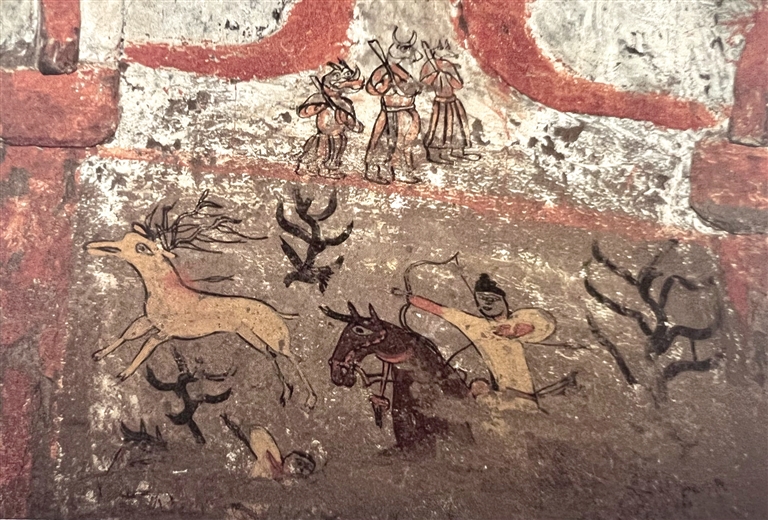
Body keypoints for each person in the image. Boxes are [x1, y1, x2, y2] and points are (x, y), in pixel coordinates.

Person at [408, 273, 556, 411]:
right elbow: (444, 312)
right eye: (520, 327)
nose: (520, 331)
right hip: (505, 400)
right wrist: (411, 298)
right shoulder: (480, 327)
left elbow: (523, 392)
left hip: (520, 402)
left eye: (523, 331)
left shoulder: (515, 344)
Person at [364, 28, 423, 185]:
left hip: (408, 111)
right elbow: (370, 88)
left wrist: (411, 86)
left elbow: (415, 88)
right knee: (384, 142)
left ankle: (401, 171)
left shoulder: (403, 70)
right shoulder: (384, 70)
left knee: (406, 143)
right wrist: (384, 87)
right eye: (406, 49)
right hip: (391, 113)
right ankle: (375, 170)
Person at [420, 39, 480, 164]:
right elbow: (423, 84)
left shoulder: (448, 65)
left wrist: (448, 76)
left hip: (452, 101)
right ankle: (439, 153)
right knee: (439, 128)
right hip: (440, 102)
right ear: (434, 50)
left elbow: (458, 85)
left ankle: (457, 151)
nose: (445, 51)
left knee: (457, 126)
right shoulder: (429, 65)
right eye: (441, 48)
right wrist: (434, 75)